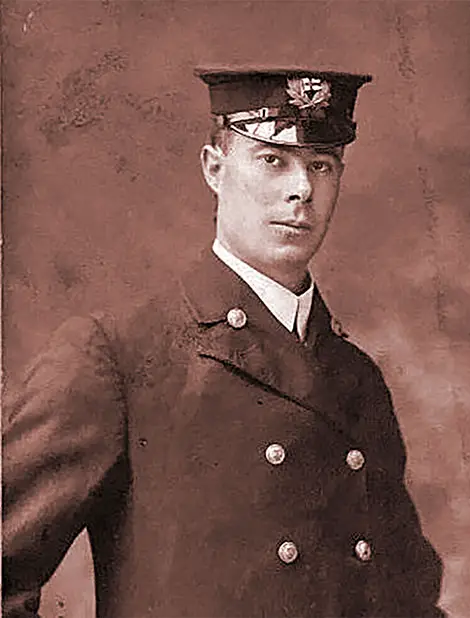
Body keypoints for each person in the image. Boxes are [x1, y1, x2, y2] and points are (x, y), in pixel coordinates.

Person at [3, 67, 445, 618]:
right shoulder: (119, 355)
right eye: (272, 160)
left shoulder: (356, 378)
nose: (300, 189)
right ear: (215, 169)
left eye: (320, 165)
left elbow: (408, 598)